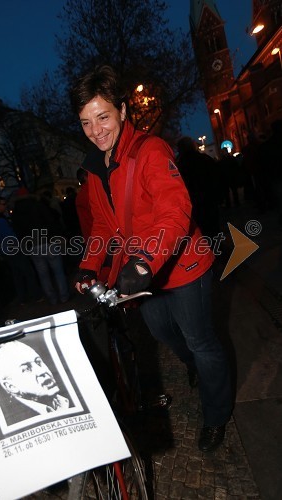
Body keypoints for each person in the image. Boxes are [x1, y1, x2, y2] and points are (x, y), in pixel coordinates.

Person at [71, 65, 232, 452]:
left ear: (123, 111)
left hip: (180, 266)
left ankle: (216, 415)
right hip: (141, 276)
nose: (96, 131)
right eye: (86, 122)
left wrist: (143, 260)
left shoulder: (150, 150)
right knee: (162, 333)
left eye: (103, 117)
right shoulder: (95, 169)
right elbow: (103, 228)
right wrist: (90, 265)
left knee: (201, 342)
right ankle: (196, 367)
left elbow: (175, 209)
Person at [0, 340, 70, 422]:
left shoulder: (67, 399)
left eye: (38, 362)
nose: (42, 371)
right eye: (26, 369)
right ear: (11, 387)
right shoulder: (13, 419)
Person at [0, 196, 42, 305]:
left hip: (5, 251)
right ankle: (36, 295)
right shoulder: (0, 219)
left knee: (17, 275)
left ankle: (23, 298)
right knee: (28, 272)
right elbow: (10, 236)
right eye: (3, 204)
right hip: (14, 250)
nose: (5, 206)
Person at [177, 136, 220, 239]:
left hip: (193, 206)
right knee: (213, 233)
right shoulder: (205, 159)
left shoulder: (179, 165)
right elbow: (216, 178)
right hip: (209, 202)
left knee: (201, 236)